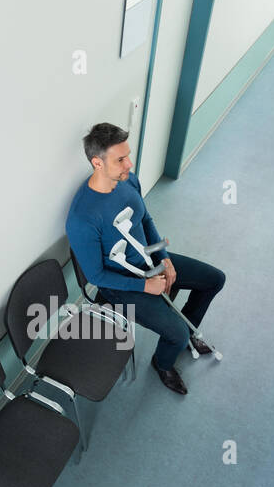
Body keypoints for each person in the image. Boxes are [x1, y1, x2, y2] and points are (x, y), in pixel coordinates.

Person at [65, 122, 225, 395]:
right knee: (177, 333)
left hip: (148, 260)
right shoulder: (82, 218)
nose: (129, 164)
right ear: (97, 163)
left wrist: (164, 258)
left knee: (214, 279)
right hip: (120, 284)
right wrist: (145, 286)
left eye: (128, 155)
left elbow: (145, 219)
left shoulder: (128, 180)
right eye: (120, 159)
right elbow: (96, 276)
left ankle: (187, 332)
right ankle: (163, 363)